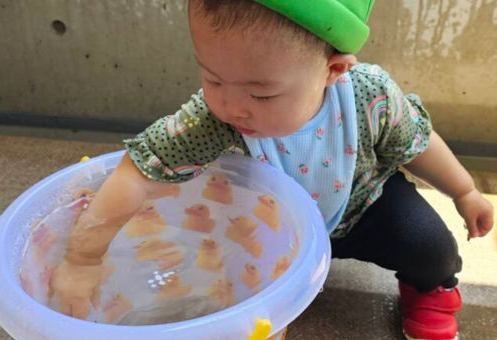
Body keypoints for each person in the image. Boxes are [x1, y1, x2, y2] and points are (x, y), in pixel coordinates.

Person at [49, 1, 495, 339]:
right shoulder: (214, 118)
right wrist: (82, 256)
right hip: (266, 230)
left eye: (260, 95)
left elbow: (416, 143)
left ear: (332, 70)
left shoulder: (368, 97)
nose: (229, 105)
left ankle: (430, 289)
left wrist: (464, 192)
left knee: (430, 246)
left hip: (364, 207)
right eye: (213, 78)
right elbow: (141, 169)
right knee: (233, 289)